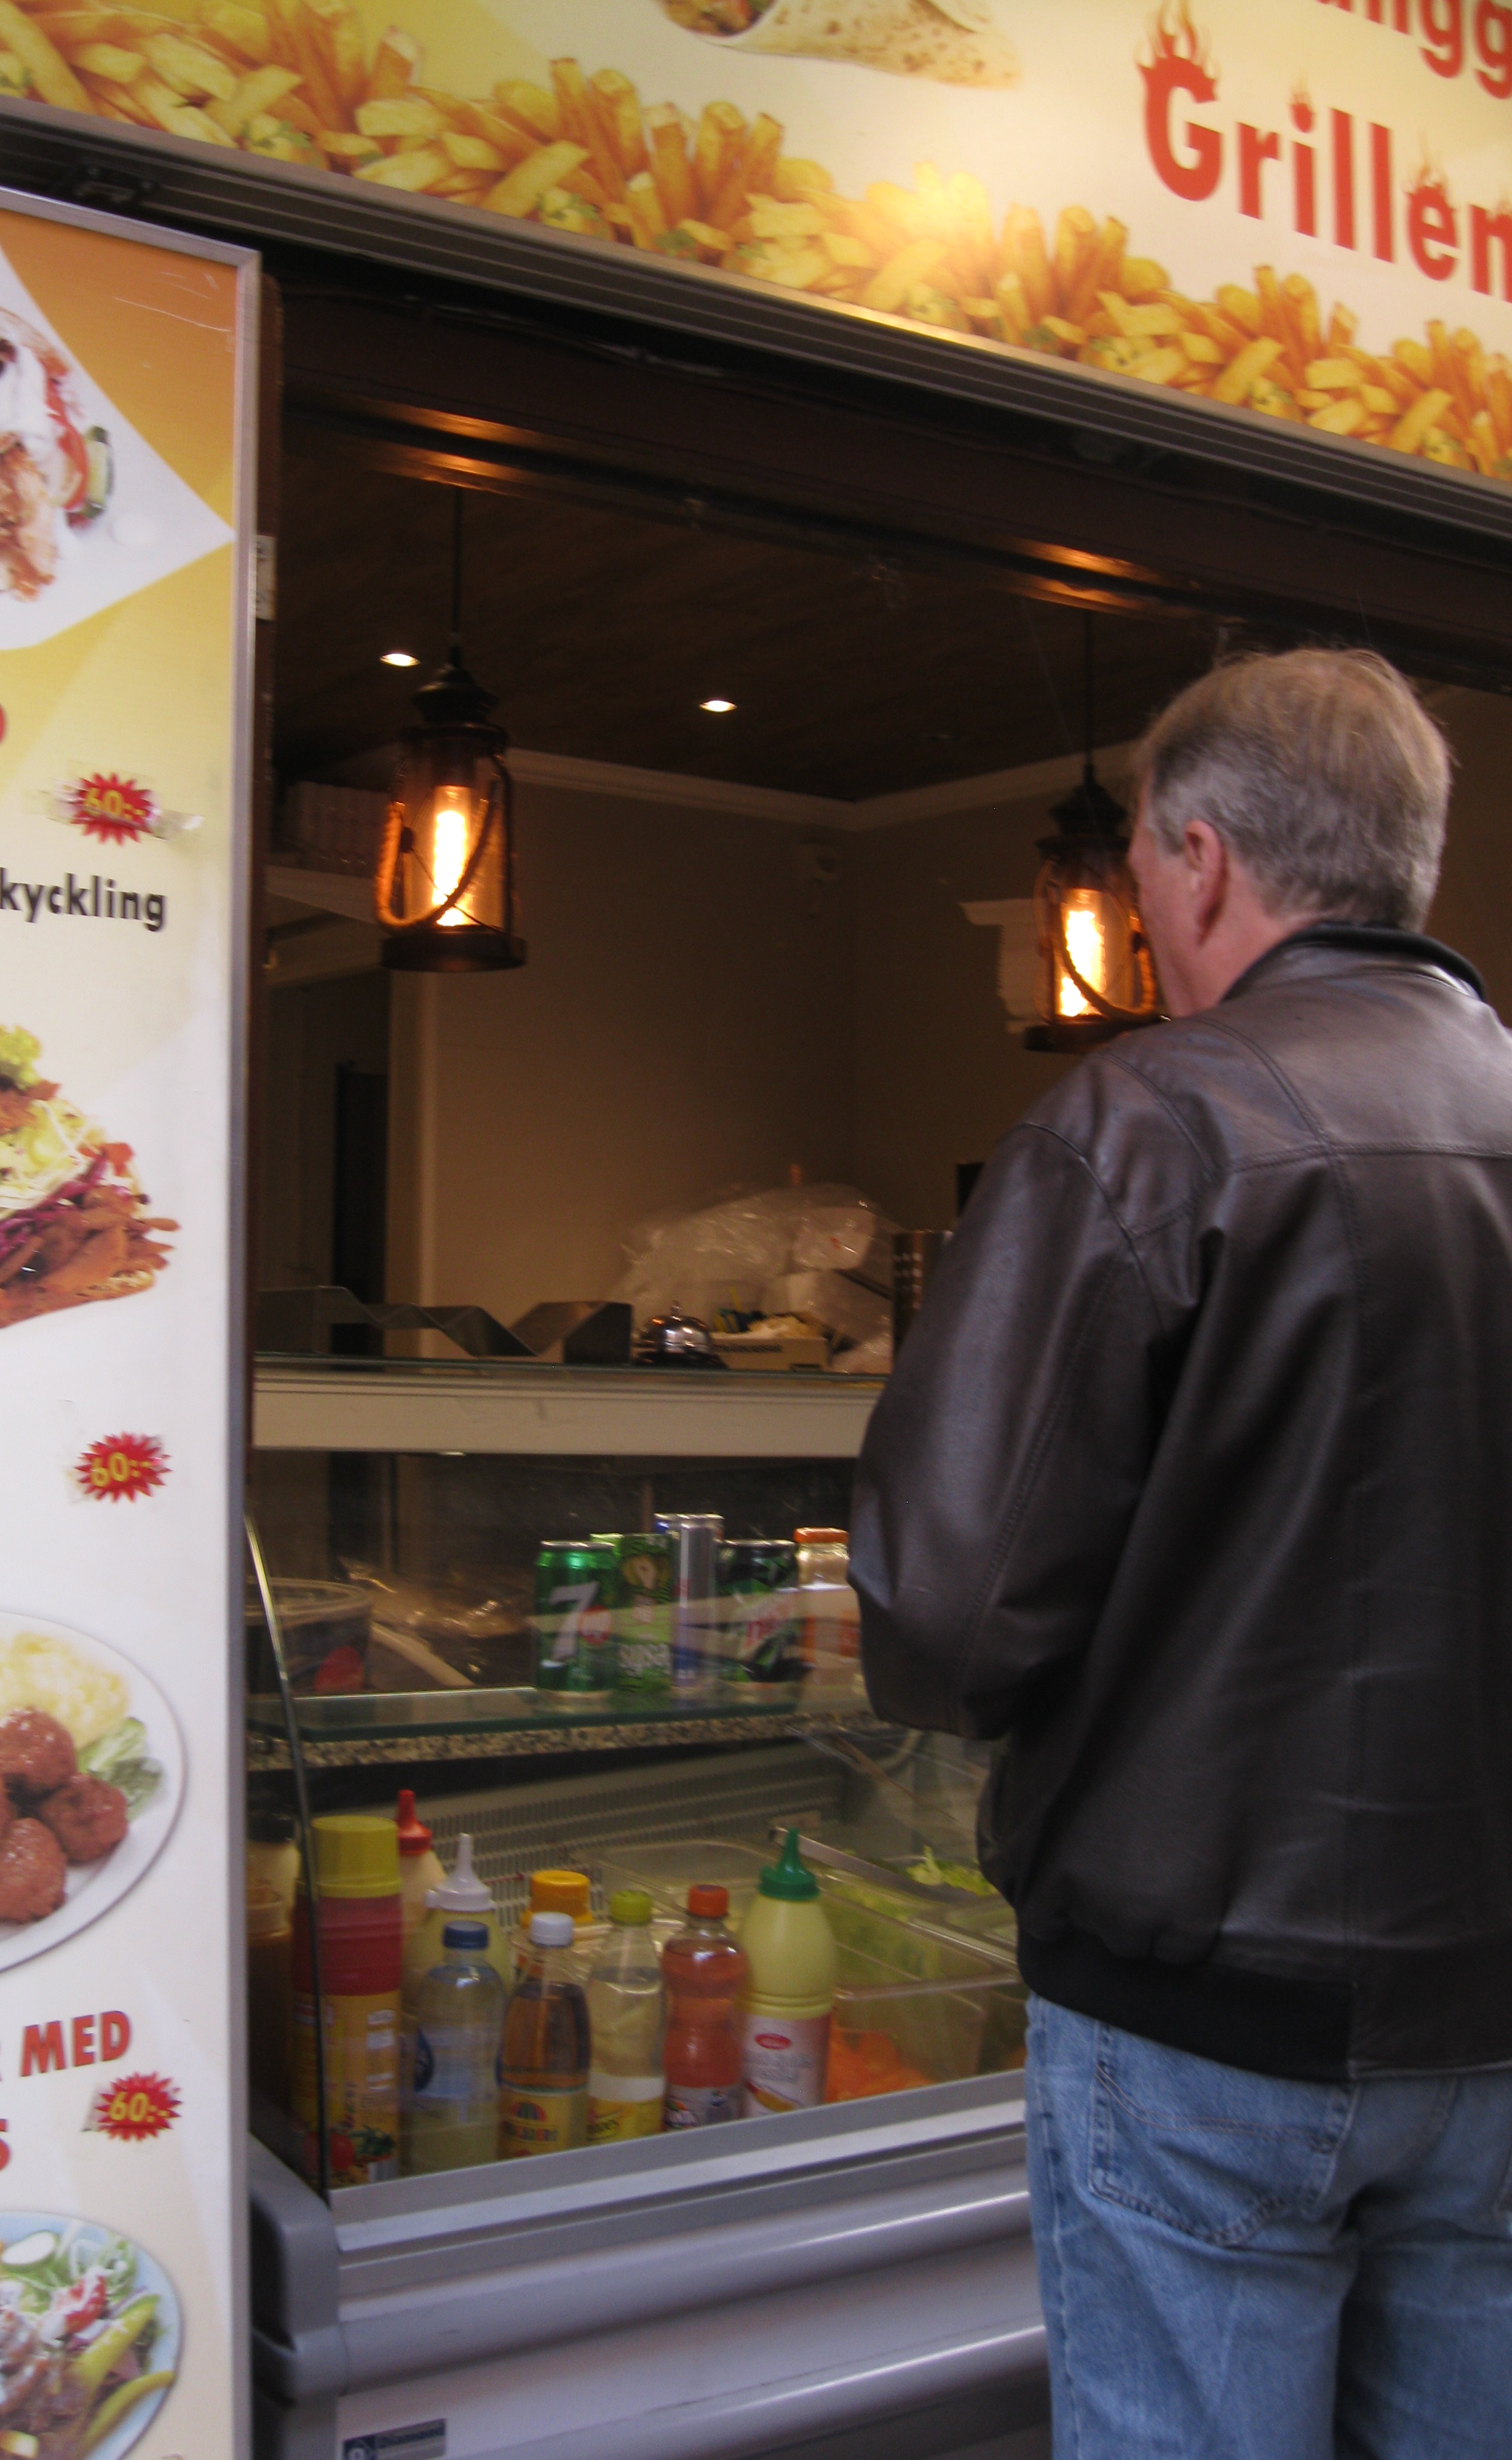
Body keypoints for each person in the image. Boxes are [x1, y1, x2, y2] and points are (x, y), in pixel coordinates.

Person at [850, 649, 1512, 2458]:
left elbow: (950, 1612)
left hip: (1204, 2017)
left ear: (1202, 862)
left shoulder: (1146, 1122)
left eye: (1142, 869)